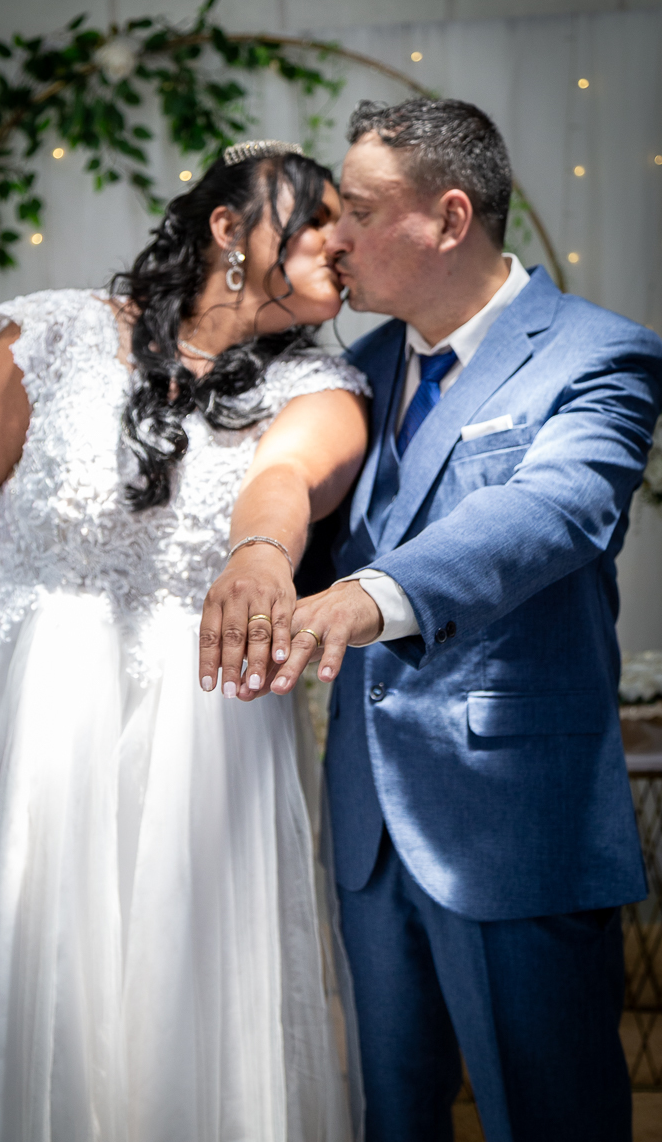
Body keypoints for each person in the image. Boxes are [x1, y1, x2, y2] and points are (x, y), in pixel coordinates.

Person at [0, 140, 370, 1141]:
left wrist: (263, 551)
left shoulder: (324, 391)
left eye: (346, 223)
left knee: (178, 1028)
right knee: (18, 1001)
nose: (337, 238)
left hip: (201, 769)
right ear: (226, 225)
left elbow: (287, 480)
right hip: (22, 743)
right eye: (313, 214)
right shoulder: (47, 339)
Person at [201, 101, 662, 1141]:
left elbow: (551, 512)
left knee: (549, 1119)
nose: (332, 239)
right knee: (390, 1118)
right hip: (367, 821)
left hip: (514, 816)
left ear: (448, 218)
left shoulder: (598, 355)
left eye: (355, 211)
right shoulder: (349, 373)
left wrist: (365, 601)